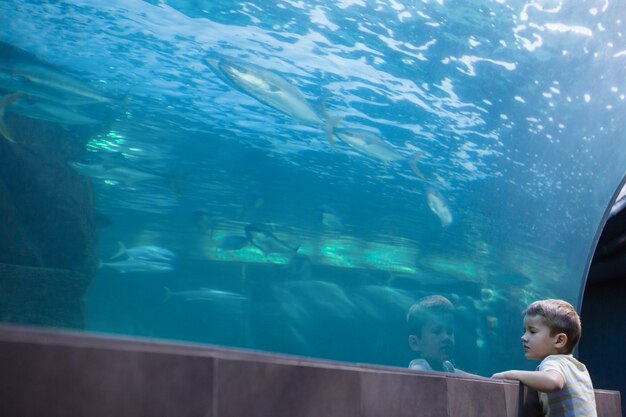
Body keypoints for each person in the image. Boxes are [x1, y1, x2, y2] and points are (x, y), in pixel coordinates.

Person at [492, 299, 597, 417]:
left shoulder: (552, 362)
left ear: (559, 340)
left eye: (532, 331)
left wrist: (510, 374)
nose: (523, 337)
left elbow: (553, 381)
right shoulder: (578, 367)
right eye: (524, 331)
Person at [406, 295, 466, 374]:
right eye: (437, 331)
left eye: (449, 331)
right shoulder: (420, 368)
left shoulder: (446, 367)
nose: (446, 337)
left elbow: (464, 376)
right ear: (415, 343)